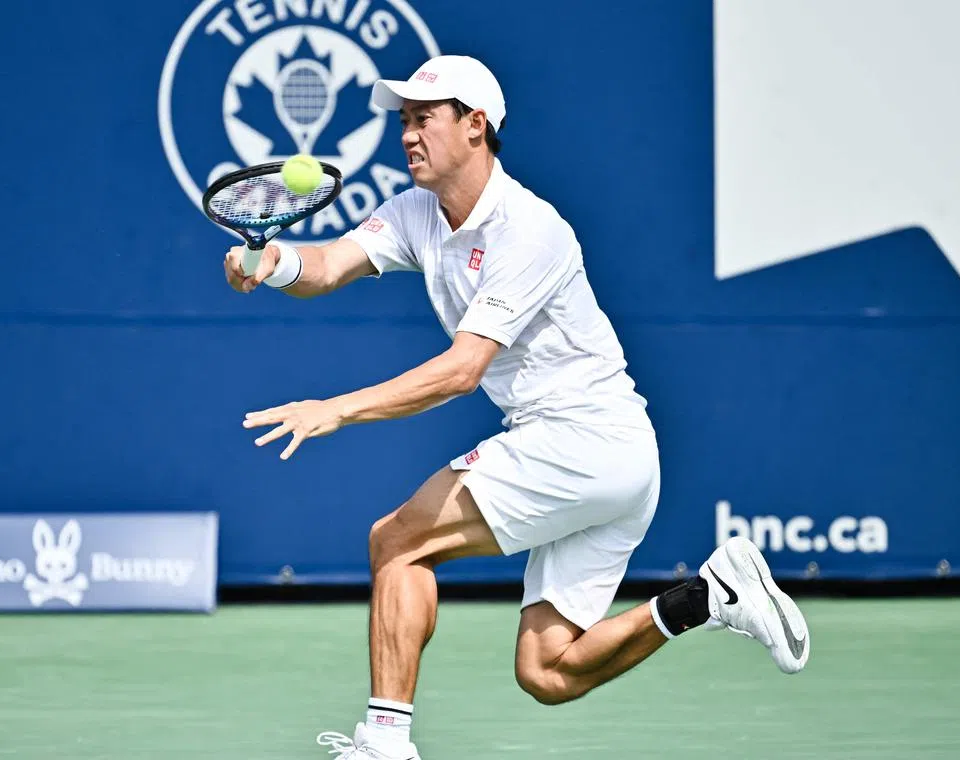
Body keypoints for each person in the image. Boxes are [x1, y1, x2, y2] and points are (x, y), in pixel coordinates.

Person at [225, 55, 810, 760]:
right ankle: (708, 598)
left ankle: (385, 742)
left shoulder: (530, 229)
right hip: (615, 462)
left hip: (582, 440)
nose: (408, 134)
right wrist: (273, 263)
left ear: (476, 126)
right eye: (404, 119)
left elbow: (463, 371)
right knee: (549, 671)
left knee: (398, 541)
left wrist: (338, 410)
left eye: (425, 118)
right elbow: (327, 266)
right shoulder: (416, 212)